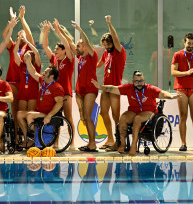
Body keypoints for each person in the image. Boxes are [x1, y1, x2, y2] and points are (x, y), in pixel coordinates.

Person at [92, 70, 180, 156]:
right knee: (123, 118)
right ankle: (123, 144)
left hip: (148, 112)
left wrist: (171, 96)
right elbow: (112, 88)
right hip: (133, 111)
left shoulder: (150, 88)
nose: (139, 83)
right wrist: (100, 87)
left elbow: (162, 93)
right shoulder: (128, 88)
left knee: (137, 118)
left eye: (141, 81)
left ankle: (134, 145)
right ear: (133, 81)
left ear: (144, 81)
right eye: (136, 81)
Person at [2, 6, 35, 144]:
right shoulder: (13, 47)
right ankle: (15, 139)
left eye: (22, 35)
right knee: (15, 112)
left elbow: (30, 34)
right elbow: (5, 35)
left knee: (24, 113)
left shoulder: (29, 48)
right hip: (13, 82)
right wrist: (11, 21)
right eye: (18, 35)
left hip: (24, 83)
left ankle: (28, 138)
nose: (20, 36)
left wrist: (22, 18)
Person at [17, 54, 64, 148]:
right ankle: (29, 138)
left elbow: (60, 103)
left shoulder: (57, 87)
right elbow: (33, 72)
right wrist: (28, 60)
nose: (43, 73)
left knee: (30, 115)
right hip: (39, 112)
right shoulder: (43, 83)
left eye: (45, 73)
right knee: (19, 114)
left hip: (49, 114)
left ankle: (35, 137)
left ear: (51, 76)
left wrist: (49, 115)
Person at [42, 19, 75, 148]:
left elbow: (67, 45)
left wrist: (58, 32)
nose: (54, 50)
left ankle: (71, 143)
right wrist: (46, 32)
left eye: (57, 49)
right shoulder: (53, 59)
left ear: (63, 51)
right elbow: (45, 46)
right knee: (56, 119)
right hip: (55, 94)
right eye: (54, 49)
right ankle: (55, 142)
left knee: (68, 117)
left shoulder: (69, 60)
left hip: (66, 93)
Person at [96, 15, 126, 151]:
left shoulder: (119, 51)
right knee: (103, 112)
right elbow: (97, 65)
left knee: (115, 115)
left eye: (108, 44)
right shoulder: (105, 54)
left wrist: (109, 23)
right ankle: (110, 138)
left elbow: (115, 37)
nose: (106, 47)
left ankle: (119, 141)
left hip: (115, 88)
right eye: (104, 45)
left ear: (113, 43)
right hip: (105, 88)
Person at [171, 33, 193, 152]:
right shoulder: (178, 55)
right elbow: (173, 72)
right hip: (181, 88)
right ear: (184, 42)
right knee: (183, 117)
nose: (191, 45)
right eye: (189, 43)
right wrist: (187, 72)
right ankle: (183, 143)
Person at [72, 21, 99, 152]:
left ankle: (93, 143)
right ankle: (90, 142)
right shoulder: (81, 58)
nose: (76, 48)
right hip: (81, 90)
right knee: (84, 117)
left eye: (78, 46)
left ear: (84, 46)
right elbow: (69, 45)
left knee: (88, 117)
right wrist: (59, 31)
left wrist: (80, 29)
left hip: (90, 90)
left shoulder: (92, 56)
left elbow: (87, 42)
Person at [14, 31, 41, 112]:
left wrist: (26, 40)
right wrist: (19, 40)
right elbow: (15, 52)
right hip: (22, 93)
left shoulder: (36, 66)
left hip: (33, 94)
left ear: (32, 58)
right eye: (25, 56)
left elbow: (36, 52)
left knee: (30, 115)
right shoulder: (22, 65)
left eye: (28, 56)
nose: (26, 57)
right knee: (21, 115)